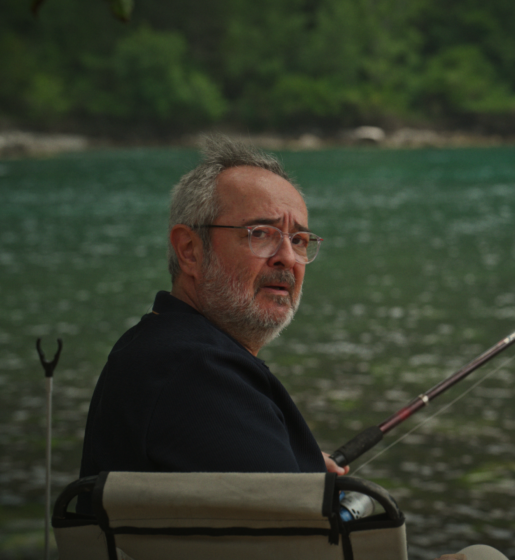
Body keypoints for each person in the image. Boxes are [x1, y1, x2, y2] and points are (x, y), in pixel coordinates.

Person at [79, 136, 347, 483]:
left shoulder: (155, 348)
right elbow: (289, 527)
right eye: (261, 233)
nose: (287, 257)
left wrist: (298, 463)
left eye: (298, 240)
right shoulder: (195, 370)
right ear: (189, 250)